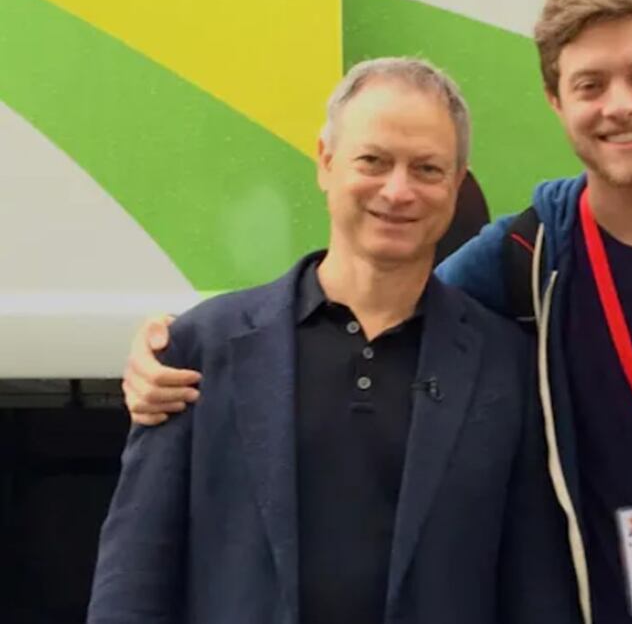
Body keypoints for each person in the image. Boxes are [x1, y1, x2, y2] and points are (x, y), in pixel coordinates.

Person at [121, 0, 632, 624]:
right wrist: (167, 353)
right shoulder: (521, 260)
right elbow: (374, 309)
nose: (620, 105)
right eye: (589, 83)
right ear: (556, 101)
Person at [88, 58, 580, 624]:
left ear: (456, 183)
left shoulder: (507, 368)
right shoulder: (198, 351)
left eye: (426, 168)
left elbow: (535, 589)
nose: (398, 190)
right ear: (325, 160)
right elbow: (134, 581)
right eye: (373, 161)